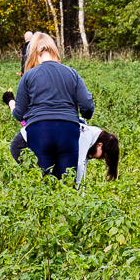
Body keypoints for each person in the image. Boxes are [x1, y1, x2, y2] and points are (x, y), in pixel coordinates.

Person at [14, 31, 97, 179]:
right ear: (54, 50)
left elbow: (20, 113)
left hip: (39, 131)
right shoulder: (72, 73)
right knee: (67, 184)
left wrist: (10, 103)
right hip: (68, 131)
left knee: (43, 184)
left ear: (33, 52)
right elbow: (87, 107)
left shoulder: (28, 76)